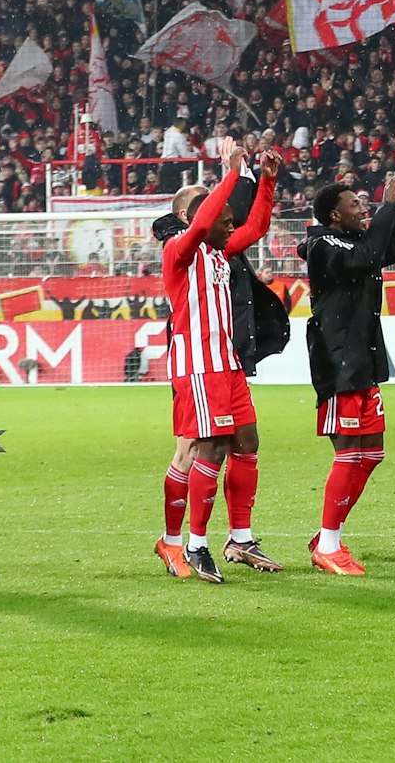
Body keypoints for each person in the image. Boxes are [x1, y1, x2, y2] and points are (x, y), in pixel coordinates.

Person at [149, 145, 291, 572]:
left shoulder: (218, 253)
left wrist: (266, 180)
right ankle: (188, 543)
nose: (231, 222)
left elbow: (259, 224)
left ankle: (241, 539)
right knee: (202, 449)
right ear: (196, 218)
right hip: (198, 366)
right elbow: (207, 219)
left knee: (247, 443)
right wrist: (230, 173)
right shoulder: (179, 249)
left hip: (227, 365)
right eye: (222, 215)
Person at [299, 157, 395, 575]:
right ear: (335, 214)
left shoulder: (355, 243)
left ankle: (328, 535)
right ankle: (329, 544)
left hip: (364, 358)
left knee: (373, 453)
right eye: (355, 203)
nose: (363, 206)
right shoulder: (322, 245)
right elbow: (366, 256)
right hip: (338, 360)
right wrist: (388, 205)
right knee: (350, 453)